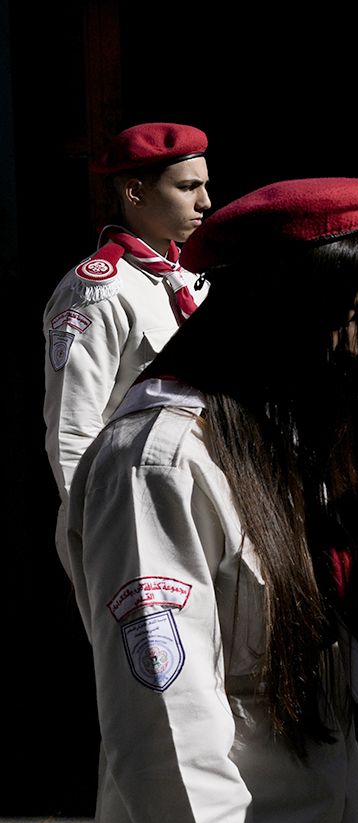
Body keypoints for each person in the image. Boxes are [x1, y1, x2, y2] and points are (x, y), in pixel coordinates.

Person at [66, 177, 358, 823]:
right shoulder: (157, 463)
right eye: (337, 315)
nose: (350, 345)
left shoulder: (267, 435)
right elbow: (167, 733)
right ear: (274, 307)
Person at [44, 123, 211, 561]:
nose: (205, 202)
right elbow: (72, 426)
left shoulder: (192, 278)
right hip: (131, 513)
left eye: (205, 186)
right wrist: (98, 528)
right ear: (136, 193)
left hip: (196, 502)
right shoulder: (97, 291)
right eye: (188, 187)